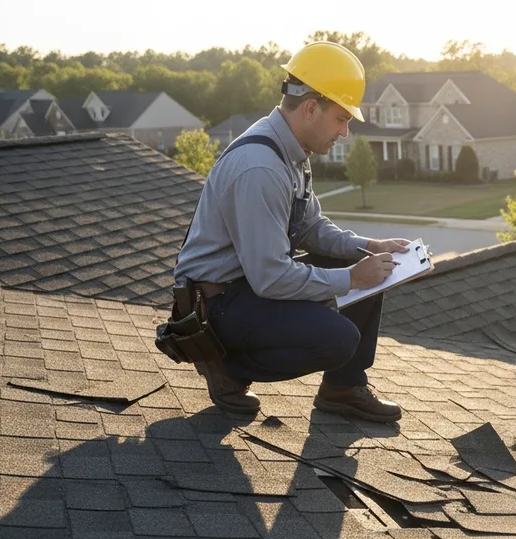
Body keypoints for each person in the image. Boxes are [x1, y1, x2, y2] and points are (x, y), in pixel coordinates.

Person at [171, 41, 407, 422]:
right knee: (339, 337)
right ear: (312, 108)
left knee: (365, 263)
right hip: (219, 303)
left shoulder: (291, 151)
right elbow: (270, 278)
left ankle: (342, 389)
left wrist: (367, 247)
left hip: (247, 287)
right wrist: (349, 278)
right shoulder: (260, 168)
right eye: (341, 118)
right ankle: (227, 367)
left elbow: (310, 227)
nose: (345, 132)